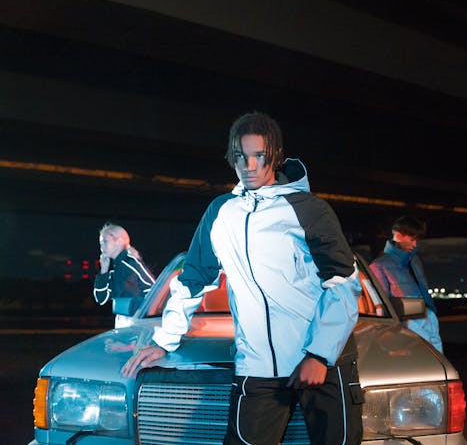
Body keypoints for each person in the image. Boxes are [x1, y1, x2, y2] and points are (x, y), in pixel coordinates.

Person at [122, 112, 363, 445]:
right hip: (258, 367)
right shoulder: (221, 212)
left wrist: (319, 355)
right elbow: (193, 278)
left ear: (274, 156)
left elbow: (343, 282)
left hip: (323, 363)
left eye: (258, 156)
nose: (249, 165)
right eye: (240, 156)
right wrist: (165, 340)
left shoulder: (309, 209)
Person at [369, 215, 443, 353]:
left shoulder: (414, 261)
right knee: (422, 365)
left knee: (438, 367)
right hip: (409, 323)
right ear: (398, 236)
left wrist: (431, 313)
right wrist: (401, 327)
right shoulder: (378, 266)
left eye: (417, 240)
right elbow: (382, 306)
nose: (415, 244)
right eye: (412, 239)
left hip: (429, 318)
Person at [93, 223, 156, 328]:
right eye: (100, 243)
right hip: (123, 323)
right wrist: (103, 270)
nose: (101, 247)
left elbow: (155, 290)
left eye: (105, 242)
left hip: (136, 325)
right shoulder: (114, 268)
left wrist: (137, 311)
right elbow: (101, 299)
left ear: (119, 242)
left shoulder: (131, 263)